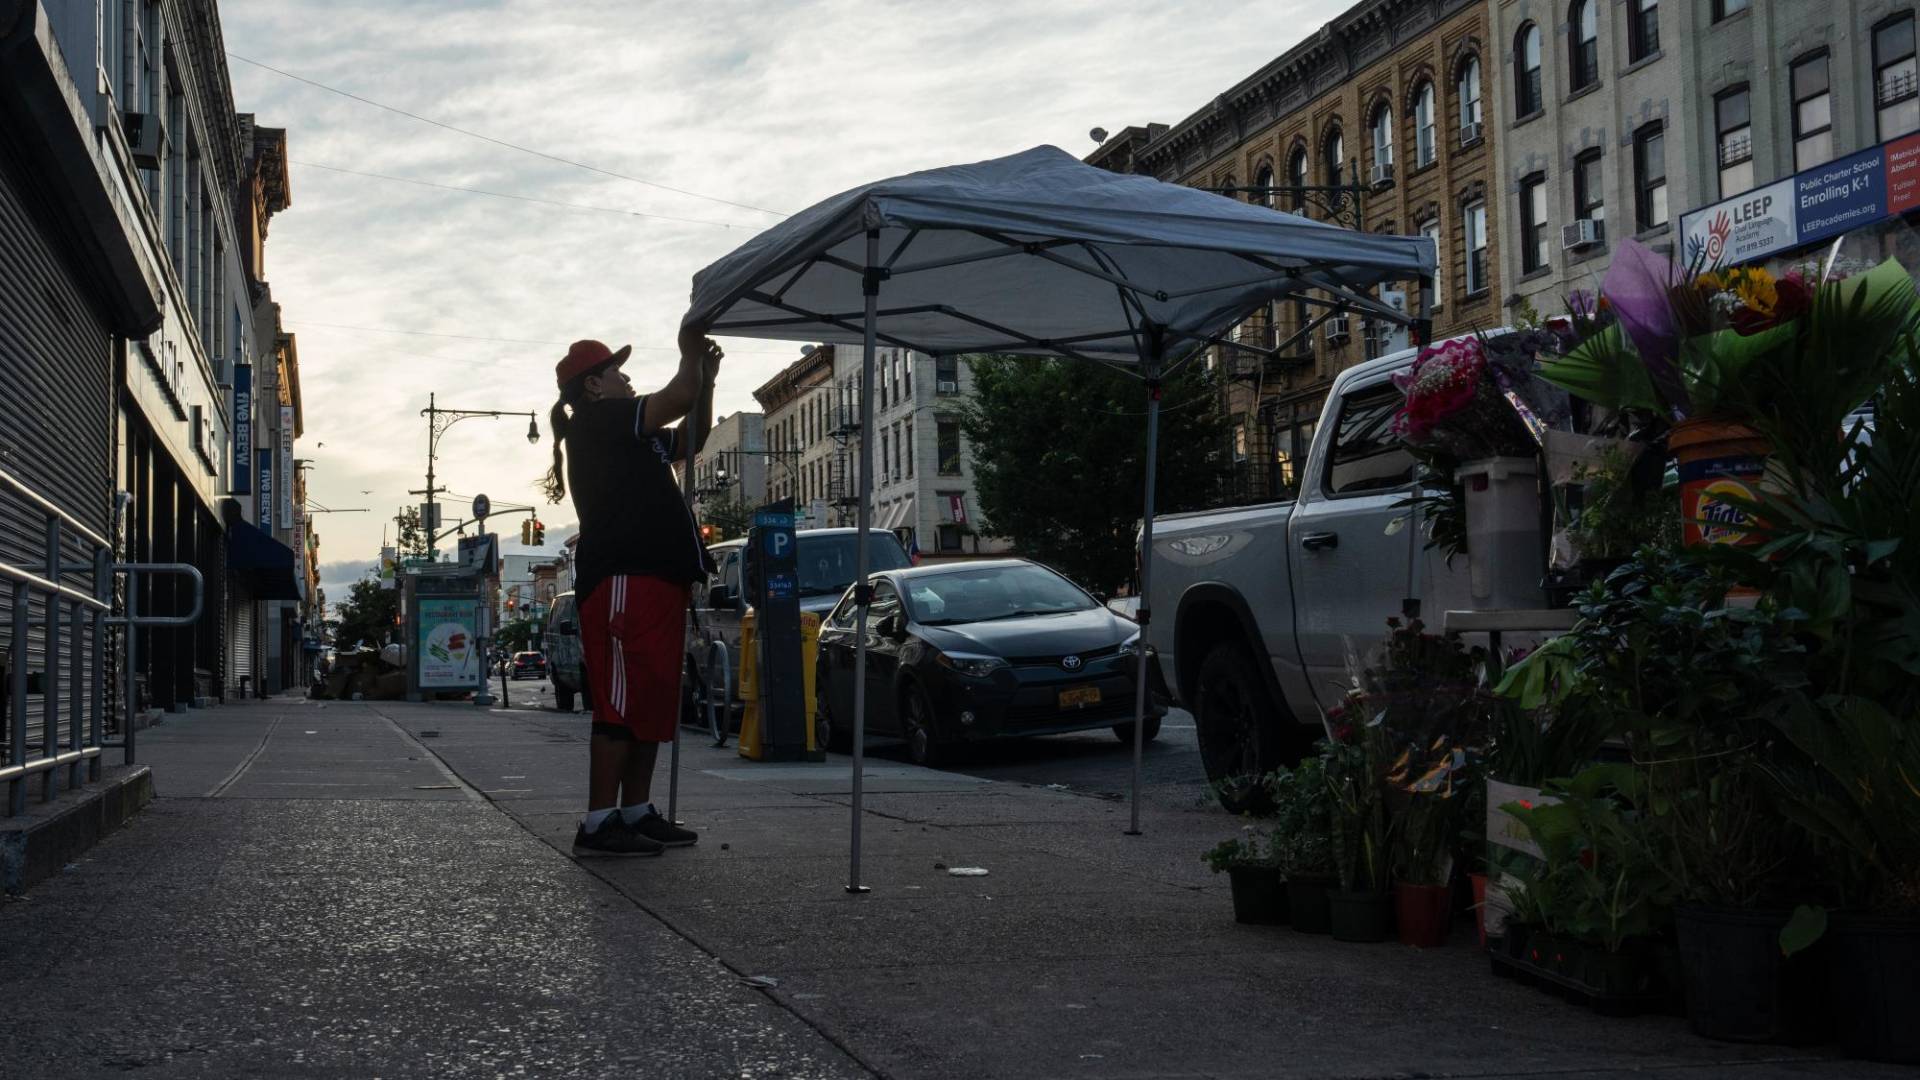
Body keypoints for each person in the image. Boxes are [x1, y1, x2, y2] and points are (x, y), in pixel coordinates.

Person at [542, 329, 721, 856]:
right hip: (624, 578)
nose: (626, 376)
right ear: (594, 386)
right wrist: (691, 353)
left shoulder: (628, 429)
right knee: (620, 704)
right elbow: (677, 398)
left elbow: (692, 439)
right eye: (617, 370)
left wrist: (706, 380)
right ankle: (599, 821)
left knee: (649, 697)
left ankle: (636, 811)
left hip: (654, 577)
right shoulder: (599, 421)